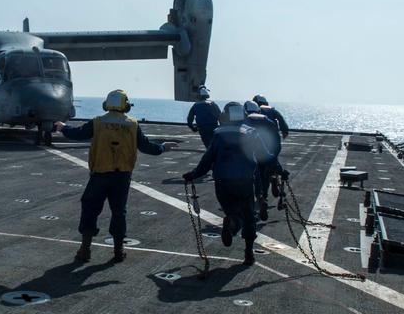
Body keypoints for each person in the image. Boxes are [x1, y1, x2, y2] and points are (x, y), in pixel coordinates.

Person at [55, 90, 178, 262]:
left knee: (90, 208)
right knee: (119, 211)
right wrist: (162, 147)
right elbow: (146, 147)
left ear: (106, 104)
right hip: (122, 175)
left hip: (100, 174)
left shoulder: (98, 122)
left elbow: (78, 133)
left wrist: (63, 127)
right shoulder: (132, 124)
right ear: (125, 105)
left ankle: (85, 250)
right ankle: (118, 251)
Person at [182, 102, 259, 263]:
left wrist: (193, 175)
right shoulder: (250, 133)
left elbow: (207, 160)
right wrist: (280, 171)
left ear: (224, 116)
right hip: (244, 181)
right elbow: (266, 156)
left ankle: (232, 222)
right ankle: (249, 253)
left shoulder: (218, 133)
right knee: (249, 216)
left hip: (222, 182)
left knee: (232, 212)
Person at [242, 100, 287, 221]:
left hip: (250, 153)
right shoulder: (267, 119)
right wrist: (274, 156)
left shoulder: (244, 119)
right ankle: (264, 198)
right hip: (266, 153)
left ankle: (256, 199)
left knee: (250, 177)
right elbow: (276, 138)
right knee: (264, 176)